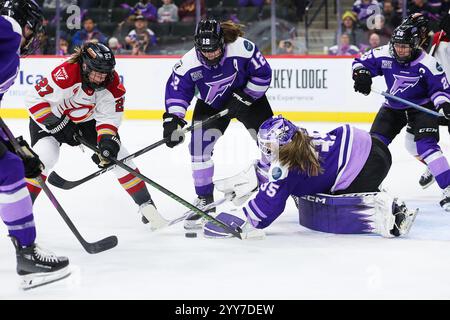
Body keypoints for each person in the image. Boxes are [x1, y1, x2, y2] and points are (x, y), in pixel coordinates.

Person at [24, 42, 168, 229]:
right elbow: (34, 99)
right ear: (84, 66)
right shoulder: (67, 73)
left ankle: (146, 205)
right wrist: (57, 124)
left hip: (86, 122)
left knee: (120, 158)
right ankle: (22, 211)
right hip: (49, 119)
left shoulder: (113, 85)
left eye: (105, 73)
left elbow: (108, 119)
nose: (101, 78)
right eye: (96, 72)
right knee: (45, 158)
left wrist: (107, 143)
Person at [203, 115, 417, 239]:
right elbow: (272, 172)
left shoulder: (286, 167)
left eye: (268, 146)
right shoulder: (298, 136)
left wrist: (235, 220)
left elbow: (266, 208)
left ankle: (389, 212)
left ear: (280, 145)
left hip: (369, 165)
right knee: (311, 184)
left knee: (330, 203)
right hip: (372, 146)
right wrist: (253, 179)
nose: (265, 149)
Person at [162, 19, 274, 230]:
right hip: (212, 105)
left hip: (249, 99)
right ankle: (205, 200)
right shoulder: (188, 63)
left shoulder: (242, 48)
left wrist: (244, 97)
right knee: (198, 148)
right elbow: (178, 92)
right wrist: (173, 120)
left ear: (222, 41)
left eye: (214, 49)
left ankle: (279, 185)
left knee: (272, 142)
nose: (210, 54)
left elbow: (263, 74)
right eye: (205, 50)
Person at [0, 0, 70, 289]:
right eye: (34, 27)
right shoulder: (9, 28)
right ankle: (28, 254)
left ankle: (27, 253)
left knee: (11, 167)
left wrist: (11, 145)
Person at [352, 21, 450, 211]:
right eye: (397, 45)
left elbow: (440, 90)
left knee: (425, 145)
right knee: (374, 146)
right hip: (393, 106)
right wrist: (361, 74)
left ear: (414, 45)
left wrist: (444, 106)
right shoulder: (384, 54)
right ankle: (367, 187)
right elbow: (360, 62)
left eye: (404, 47)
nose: (400, 50)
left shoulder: (428, 64)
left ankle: (448, 186)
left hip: (422, 107)